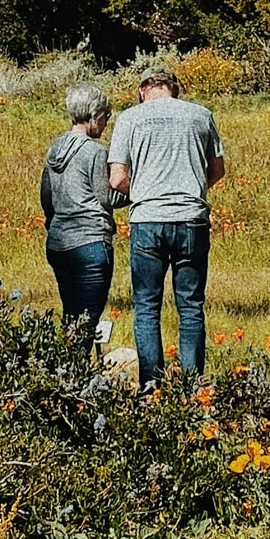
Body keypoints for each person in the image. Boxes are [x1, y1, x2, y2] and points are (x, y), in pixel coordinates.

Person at [107, 66, 225, 388]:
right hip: (191, 219)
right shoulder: (201, 115)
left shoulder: (129, 118)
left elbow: (116, 178)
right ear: (175, 89)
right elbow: (217, 169)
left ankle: (151, 386)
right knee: (190, 306)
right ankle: (191, 387)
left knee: (146, 306)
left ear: (143, 91)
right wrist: (193, 191)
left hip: (147, 220)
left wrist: (144, 192)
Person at [40, 83, 130, 350]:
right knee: (87, 323)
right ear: (92, 117)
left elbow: (46, 195)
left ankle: (64, 374)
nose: (105, 123)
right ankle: (78, 381)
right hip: (90, 242)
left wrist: (53, 222)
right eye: (104, 117)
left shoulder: (55, 149)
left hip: (58, 243)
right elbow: (107, 198)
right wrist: (136, 189)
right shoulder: (94, 152)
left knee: (70, 317)